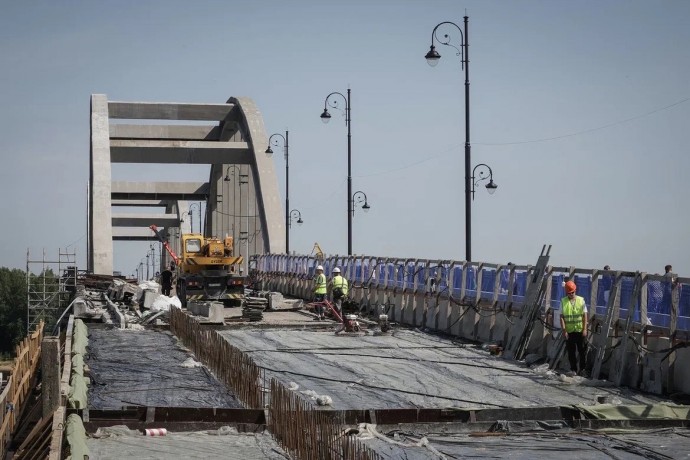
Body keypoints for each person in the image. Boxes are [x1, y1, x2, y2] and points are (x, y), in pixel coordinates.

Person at [560, 280, 588, 376]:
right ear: (567, 292)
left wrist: (584, 329)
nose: (571, 294)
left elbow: (585, 316)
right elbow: (561, 317)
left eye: (573, 292)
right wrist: (564, 330)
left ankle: (583, 369)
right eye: (569, 293)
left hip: (580, 331)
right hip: (569, 331)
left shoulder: (581, 300)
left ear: (575, 291)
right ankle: (573, 370)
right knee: (571, 352)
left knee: (582, 351)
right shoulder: (563, 301)